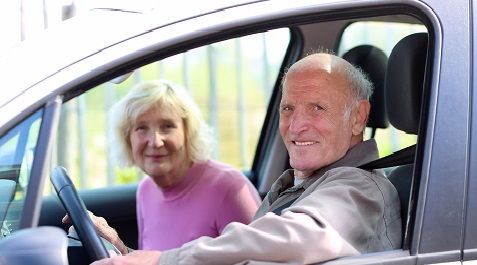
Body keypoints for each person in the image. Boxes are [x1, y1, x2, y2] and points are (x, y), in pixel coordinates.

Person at [90, 52, 402, 265]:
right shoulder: (303, 186)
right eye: (288, 108)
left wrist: (165, 259)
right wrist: (125, 252)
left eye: (317, 108)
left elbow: (301, 237)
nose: (296, 125)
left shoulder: (359, 186)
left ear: (359, 118)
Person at [64, 80, 261, 254]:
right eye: (141, 128)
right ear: (127, 139)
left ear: (187, 132)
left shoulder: (230, 188)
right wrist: (118, 246)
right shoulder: (146, 190)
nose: (155, 141)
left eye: (167, 126)